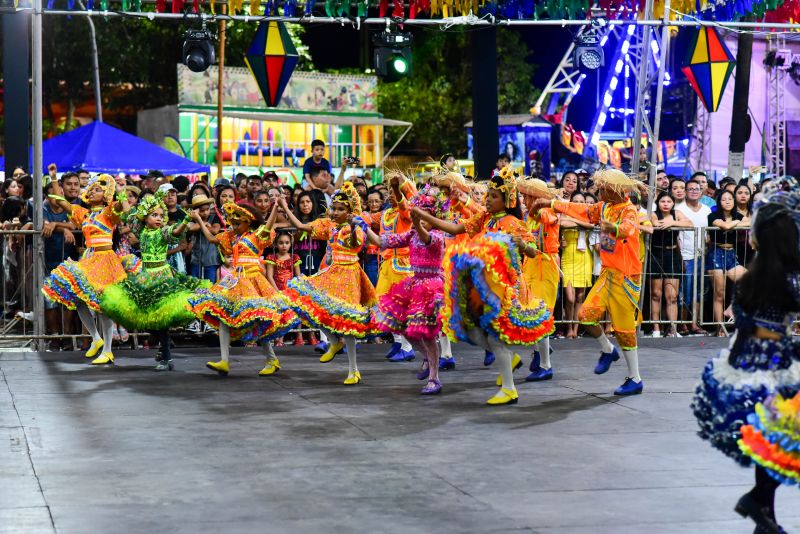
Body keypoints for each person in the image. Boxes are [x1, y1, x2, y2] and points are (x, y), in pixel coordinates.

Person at [692, 189, 800, 534]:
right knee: (783, 438)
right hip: (776, 363)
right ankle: (759, 500)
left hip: (748, 363)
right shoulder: (790, 278)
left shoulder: (752, 275)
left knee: (771, 438)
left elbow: (741, 316)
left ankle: (763, 511)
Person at [413, 169, 555, 405]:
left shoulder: (515, 223)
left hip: (507, 287)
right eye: (487, 195)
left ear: (506, 201)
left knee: (497, 337)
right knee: (472, 331)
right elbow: (455, 228)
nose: (487, 200)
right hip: (484, 286)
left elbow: (532, 251)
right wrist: (423, 218)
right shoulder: (484, 219)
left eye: (493, 196)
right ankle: (510, 364)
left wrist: (523, 245)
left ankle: (510, 386)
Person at [534, 168, 648, 396]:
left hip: (626, 276)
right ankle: (608, 349)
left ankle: (635, 378)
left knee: (625, 330)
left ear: (613, 189)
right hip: (608, 274)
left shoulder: (629, 210)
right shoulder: (604, 207)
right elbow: (582, 210)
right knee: (585, 315)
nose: (598, 190)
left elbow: (628, 230)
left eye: (602, 187)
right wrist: (552, 203)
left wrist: (612, 228)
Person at [98, 192, 210, 371]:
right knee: (143, 317)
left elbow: (175, 232)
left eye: (160, 215)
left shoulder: (163, 232)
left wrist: (185, 221)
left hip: (162, 277)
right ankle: (165, 346)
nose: (158, 219)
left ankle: (166, 358)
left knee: (161, 320)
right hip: (144, 276)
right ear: (146, 217)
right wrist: (123, 197)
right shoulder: (140, 231)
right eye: (154, 215)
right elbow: (129, 214)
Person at [282, 184, 378, 385]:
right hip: (332, 272)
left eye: (340, 209)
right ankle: (333, 342)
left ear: (350, 211)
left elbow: (354, 244)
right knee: (308, 303)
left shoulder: (357, 225)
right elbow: (301, 227)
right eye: (333, 208)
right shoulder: (329, 225)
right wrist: (284, 205)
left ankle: (353, 370)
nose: (335, 212)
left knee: (347, 322)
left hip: (350, 274)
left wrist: (353, 226)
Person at [188, 202, 299, 376]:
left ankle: (271, 358)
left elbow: (268, 225)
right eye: (232, 222)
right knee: (223, 315)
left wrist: (275, 207)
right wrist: (199, 220)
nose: (234, 225)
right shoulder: (232, 237)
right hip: (236, 280)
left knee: (259, 319)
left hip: (253, 281)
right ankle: (224, 361)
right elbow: (211, 238)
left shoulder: (256, 235)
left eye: (238, 222)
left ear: (249, 221)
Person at [42, 174, 139, 365]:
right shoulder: (85, 214)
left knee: (102, 307)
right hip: (89, 259)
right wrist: (54, 178)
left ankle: (108, 350)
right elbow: (60, 201)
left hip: (105, 260)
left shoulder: (108, 212)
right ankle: (96, 338)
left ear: (105, 195)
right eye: (92, 189)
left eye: (97, 189)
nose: (92, 191)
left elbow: (125, 208)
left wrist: (119, 191)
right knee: (78, 299)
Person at [363, 190, 447, 394]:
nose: (422, 219)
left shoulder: (437, 236)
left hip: (431, 286)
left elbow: (426, 238)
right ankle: (427, 357)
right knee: (401, 326)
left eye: (427, 215)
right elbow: (383, 242)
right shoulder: (412, 233)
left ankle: (434, 378)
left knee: (427, 334)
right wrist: (364, 227)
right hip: (414, 284)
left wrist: (417, 221)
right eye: (420, 214)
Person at [361, 173, 417, 362]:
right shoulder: (385, 214)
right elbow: (367, 218)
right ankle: (398, 341)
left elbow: (403, 203)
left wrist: (397, 188)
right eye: (390, 193)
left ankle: (408, 346)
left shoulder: (406, 212)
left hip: (403, 265)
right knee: (383, 306)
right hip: (386, 265)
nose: (391, 196)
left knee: (400, 307)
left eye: (394, 193)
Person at [518, 178, 560, 381]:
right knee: (529, 313)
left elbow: (545, 217)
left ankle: (545, 365)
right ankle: (540, 351)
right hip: (530, 266)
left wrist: (538, 205)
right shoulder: (526, 215)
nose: (524, 199)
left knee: (540, 314)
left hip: (546, 266)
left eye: (526, 195)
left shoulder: (547, 212)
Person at [649, 192, 691, 338]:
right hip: (656, 254)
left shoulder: (677, 213)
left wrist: (672, 223)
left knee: (672, 295)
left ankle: (672, 328)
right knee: (656, 294)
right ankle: (656, 328)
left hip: (673, 255)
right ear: (658, 203)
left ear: (673, 203)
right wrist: (667, 223)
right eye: (662, 201)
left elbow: (690, 224)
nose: (666, 204)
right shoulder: (653, 214)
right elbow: (655, 223)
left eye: (669, 201)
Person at [41, 180, 78, 350]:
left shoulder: (70, 207)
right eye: (52, 194)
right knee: (50, 302)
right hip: (47, 262)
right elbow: (42, 225)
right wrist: (63, 228)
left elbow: (74, 224)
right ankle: (55, 337)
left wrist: (57, 225)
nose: (56, 197)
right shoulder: (43, 208)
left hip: (68, 262)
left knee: (68, 301)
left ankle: (69, 337)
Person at [707, 190, 748, 337]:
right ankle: (719, 327)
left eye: (730, 199)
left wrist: (737, 221)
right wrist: (738, 222)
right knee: (719, 293)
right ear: (719, 202)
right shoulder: (713, 215)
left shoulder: (737, 215)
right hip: (715, 253)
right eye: (724, 199)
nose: (728, 201)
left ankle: (731, 307)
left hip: (731, 254)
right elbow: (724, 226)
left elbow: (750, 221)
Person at [675, 179, 711, 335]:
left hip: (703, 255)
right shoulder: (678, 209)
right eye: (690, 189)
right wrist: (680, 256)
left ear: (702, 191)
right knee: (685, 291)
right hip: (686, 255)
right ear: (686, 192)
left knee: (699, 292)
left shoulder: (707, 210)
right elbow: (676, 236)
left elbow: (709, 232)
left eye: (697, 189)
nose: (694, 191)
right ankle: (682, 324)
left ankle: (694, 324)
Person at [559, 191, 594, 339]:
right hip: (568, 256)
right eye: (576, 201)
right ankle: (568, 326)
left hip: (584, 257)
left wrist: (580, 223)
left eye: (582, 201)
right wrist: (581, 224)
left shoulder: (589, 216)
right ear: (571, 202)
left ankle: (575, 329)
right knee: (570, 298)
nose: (579, 204)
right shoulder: (565, 214)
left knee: (580, 296)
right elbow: (562, 223)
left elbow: (591, 226)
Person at [265, 231, 302, 347]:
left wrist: (295, 289)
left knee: (287, 315)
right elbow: (269, 276)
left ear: (291, 244)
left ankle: (281, 339)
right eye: (281, 243)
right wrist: (276, 291)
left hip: (289, 291)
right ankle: (275, 338)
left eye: (287, 243)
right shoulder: (272, 257)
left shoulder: (294, 258)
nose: (284, 245)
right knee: (277, 315)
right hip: (276, 289)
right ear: (275, 244)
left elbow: (298, 276)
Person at [734, 183, 755, 267]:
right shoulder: (730, 211)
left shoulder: (754, 211)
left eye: (746, 193)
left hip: (753, 250)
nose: (743, 195)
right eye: (740, 193)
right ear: (734, 195)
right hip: (735, 250)